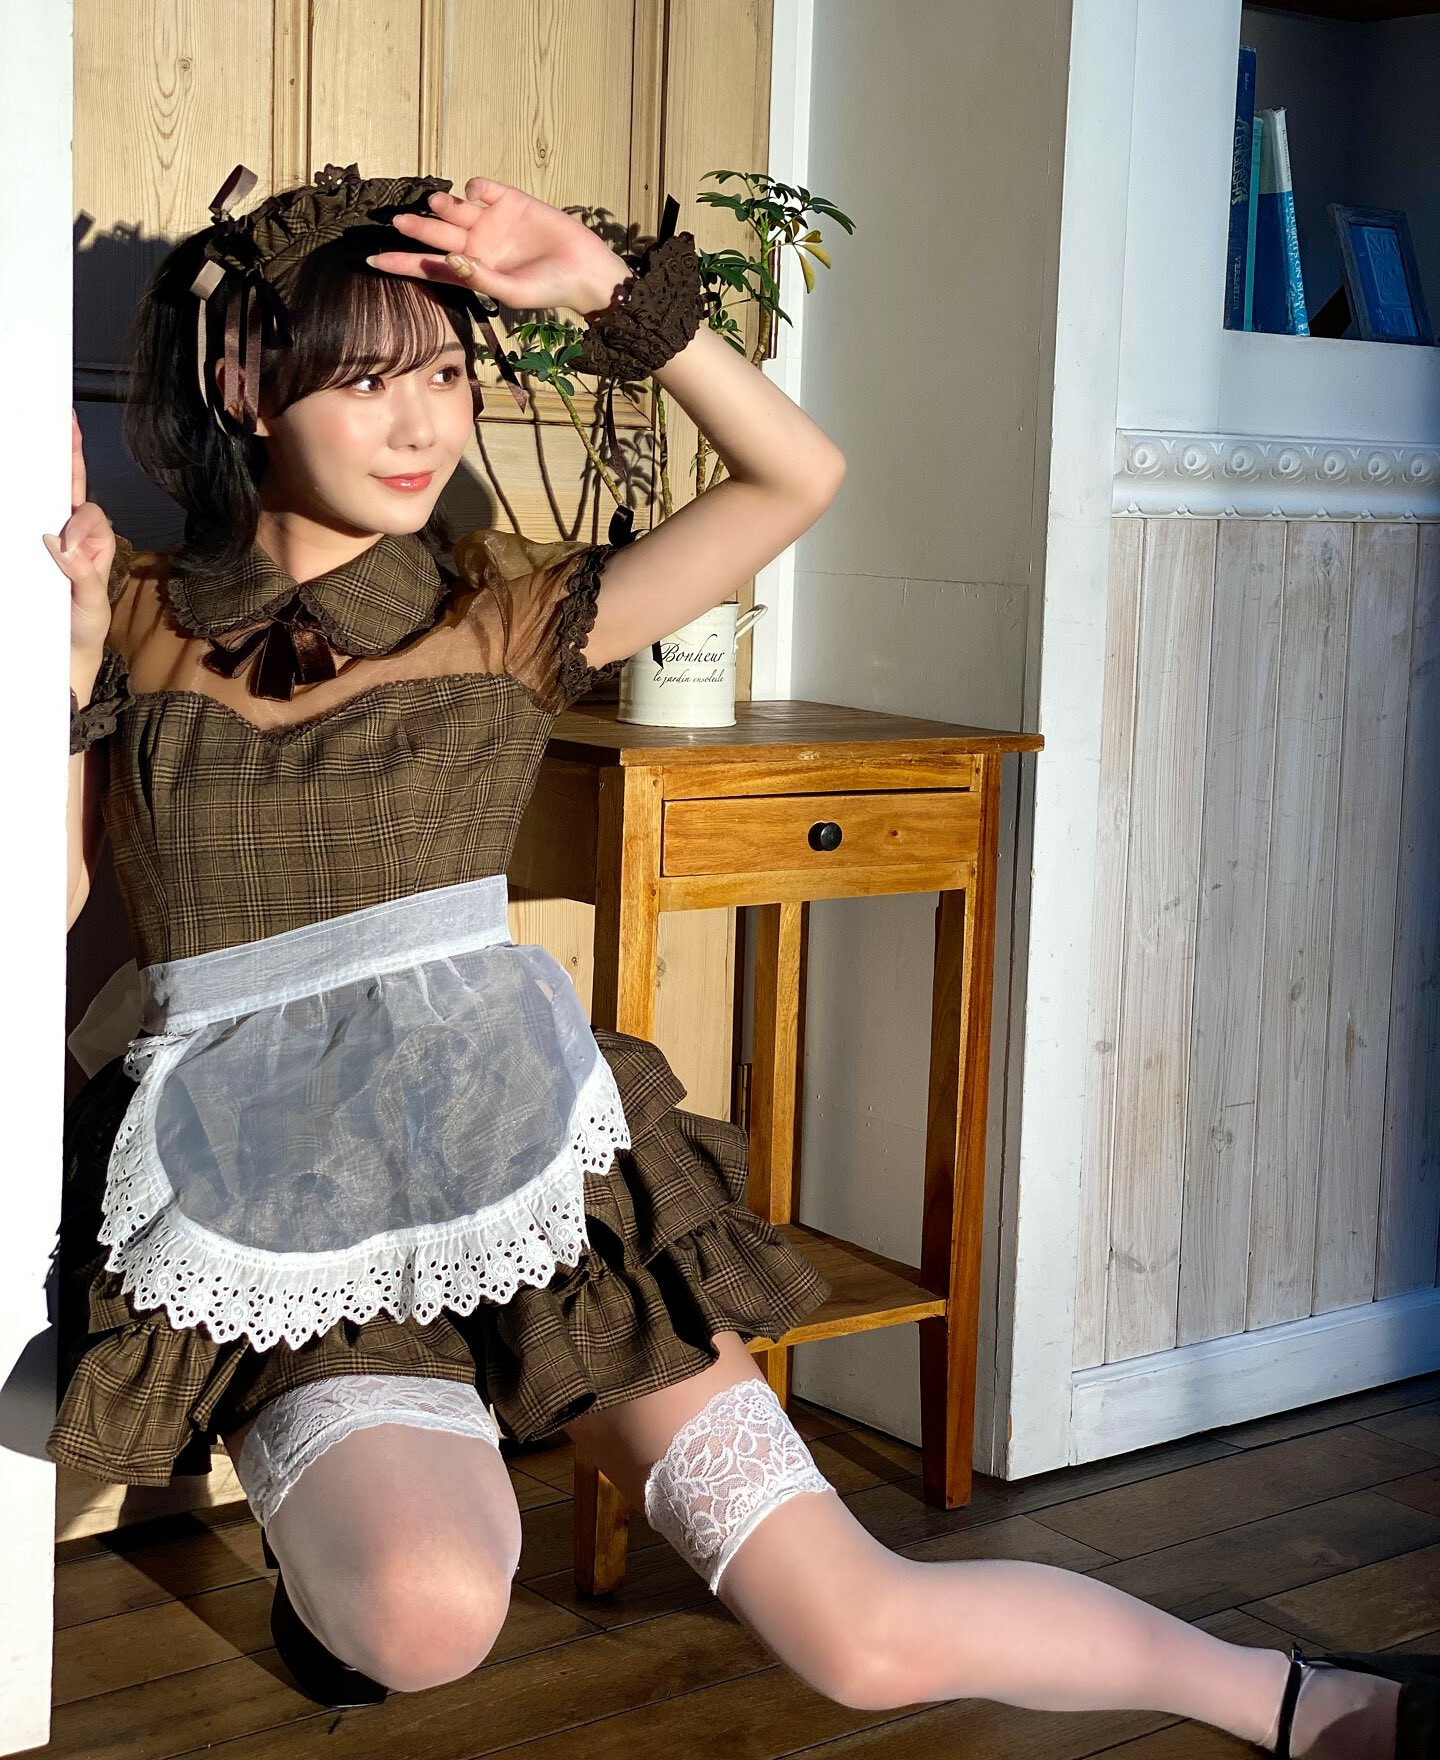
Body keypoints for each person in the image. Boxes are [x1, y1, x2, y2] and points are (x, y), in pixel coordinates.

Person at [47, 163, 1428, 1756]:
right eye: (368, 381)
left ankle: (1319, 1705)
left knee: (860, 1635)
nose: (425, 425)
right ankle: (366, 1533)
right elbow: (59, 897)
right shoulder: (130, 610)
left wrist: (597, 286)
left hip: (528, 1174)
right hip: (269, 1205)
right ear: (246, 382)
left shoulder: (513, 610)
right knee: (425, 1616)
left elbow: (795, 475)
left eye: (445, 375)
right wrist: (66, 684)